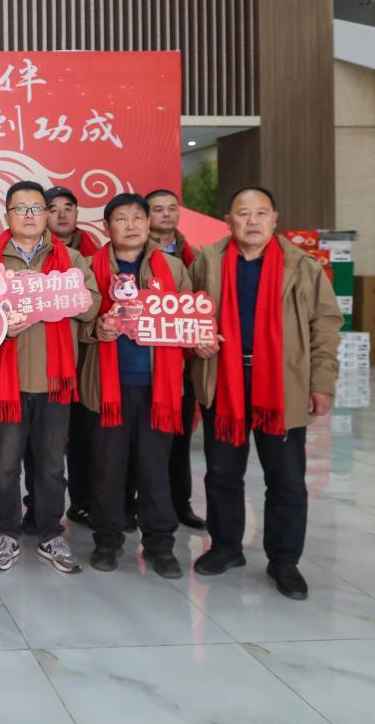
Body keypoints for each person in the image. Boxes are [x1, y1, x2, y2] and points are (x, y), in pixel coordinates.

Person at [189, 186, 341, 600]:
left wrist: (321, 382)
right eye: (243, 213)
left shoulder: (302, 266)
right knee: (222, 473)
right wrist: (197, 339)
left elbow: (326, 325)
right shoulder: (208, 261)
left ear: (275, 218)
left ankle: (284, 560)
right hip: (225, 380)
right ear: (228, 220)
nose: (252, 221)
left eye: (261, 213)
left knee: (287, 478)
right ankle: (226, 546)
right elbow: (188, 313)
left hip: (282, 384)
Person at [0, 181, 100, 575]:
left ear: (47, 215)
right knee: (5, 466)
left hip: (54, 380)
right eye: (21, 208)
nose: (29, 215)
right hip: (5, 383)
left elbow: (92, 307)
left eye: (36, 208)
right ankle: (7, 532)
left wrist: (64, 297)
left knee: (50, 466)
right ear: (7, 215)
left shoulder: (72, 260)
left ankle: (50, 533)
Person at [79, 193, 199, 579]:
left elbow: (190, 319)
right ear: (106, 226)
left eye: (137, 218)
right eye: (121, 219)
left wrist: (201, 337)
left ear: (148, 223)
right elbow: (75, 323)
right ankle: (107, 540)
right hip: (106, 388)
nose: (130, 225)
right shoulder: (88, 267)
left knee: (155, 471)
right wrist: (96, 328)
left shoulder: (174, 268)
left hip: (158, 389)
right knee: (107, 470)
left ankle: (160, 545)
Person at [145, 188, 206, 530]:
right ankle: (137, 503)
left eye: (172, 208)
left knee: (178, 437)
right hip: (144, 361)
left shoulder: (194, 257)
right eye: (158, 209)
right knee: (142, 442)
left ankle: (180, 504)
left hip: (181, 362)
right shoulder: (134, 255)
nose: (166, 214)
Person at [40, 184, 99, 529]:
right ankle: (37, 510)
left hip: (86, 361)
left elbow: (95, 306)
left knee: (85, 437)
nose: (61, 214)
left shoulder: (94, 255)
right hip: (47, 363)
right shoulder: (32, 254)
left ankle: (83, 503)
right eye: (53, 208)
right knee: (43, 447)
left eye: (68, 207)